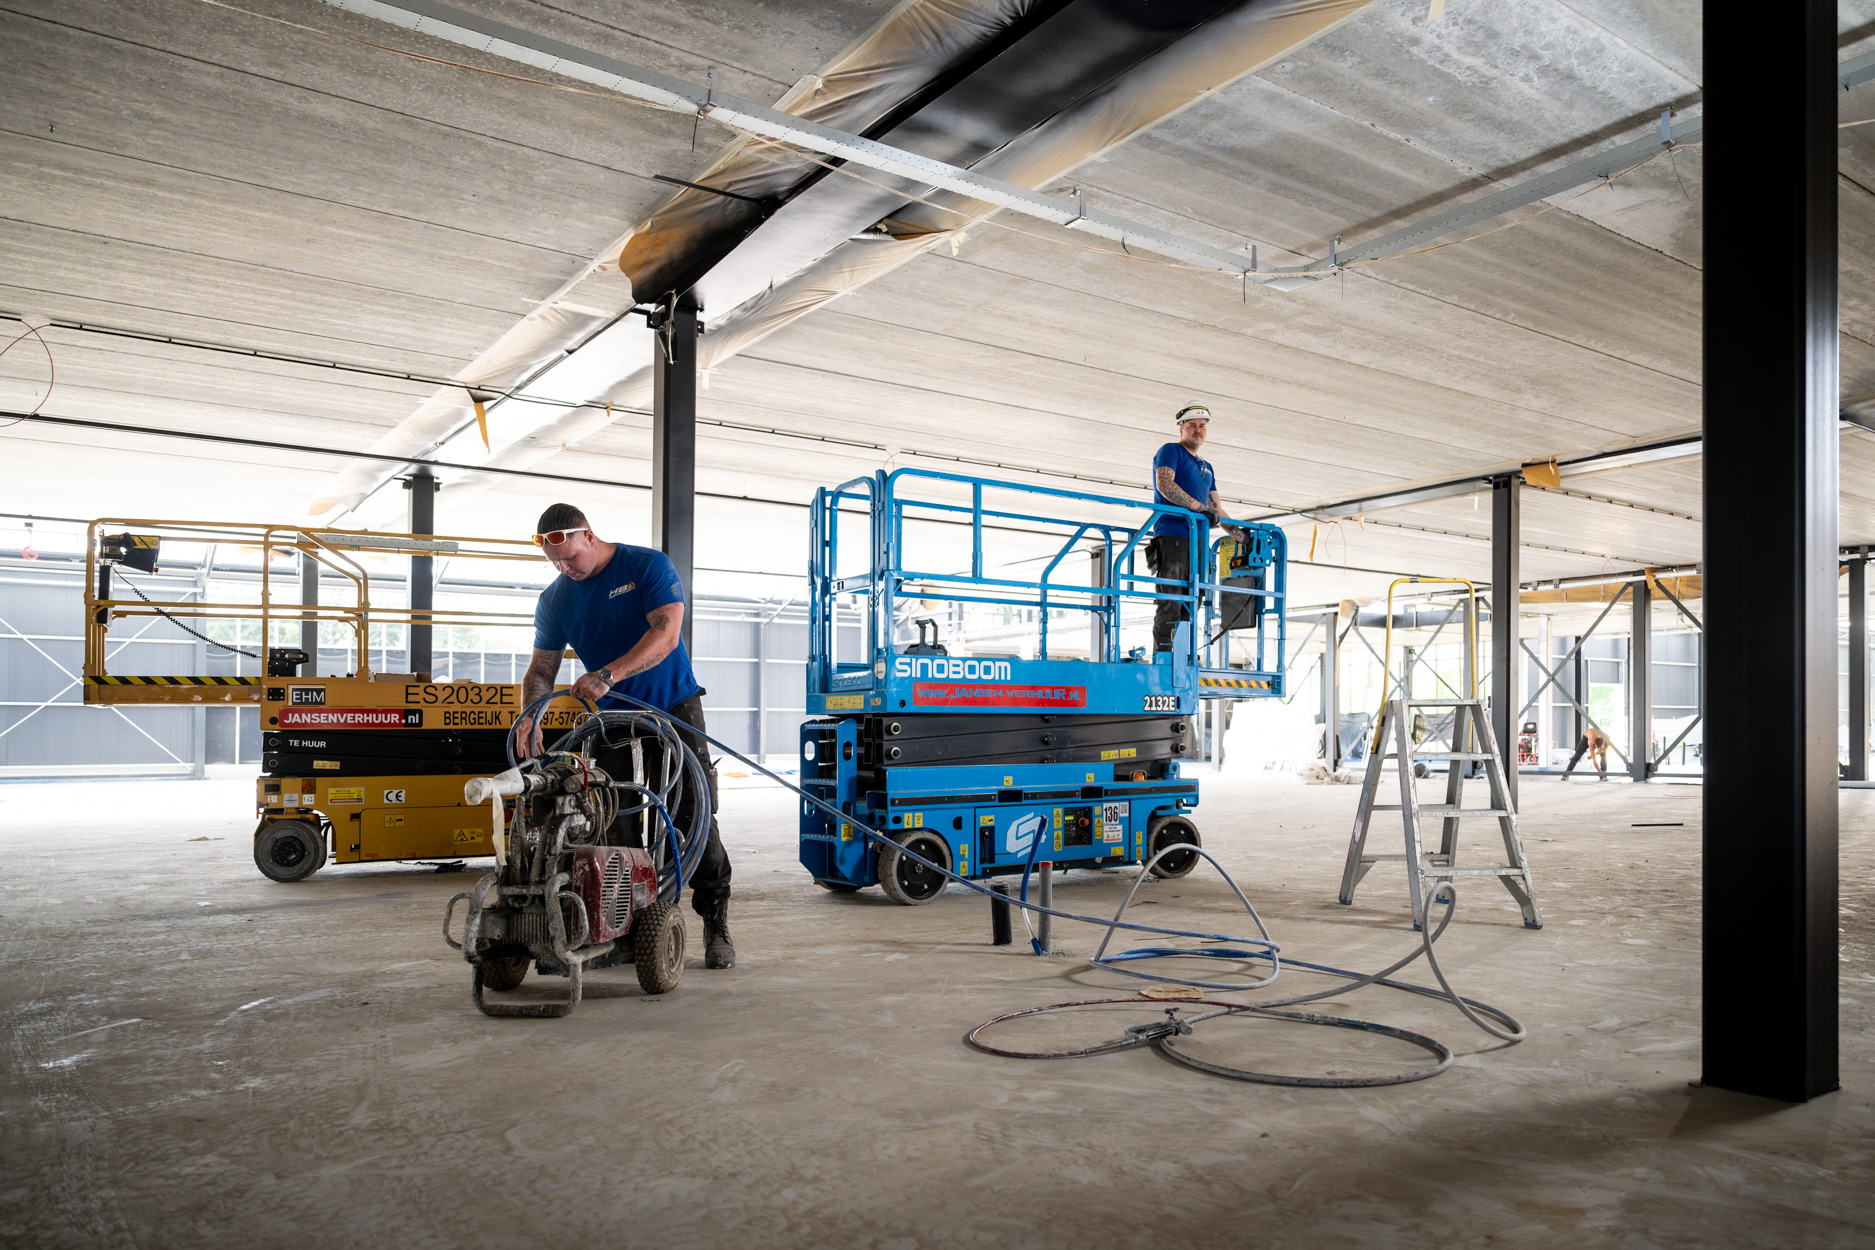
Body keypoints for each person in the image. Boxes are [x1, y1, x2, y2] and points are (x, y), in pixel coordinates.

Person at [513, 503, 735, 968]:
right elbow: (542, 667)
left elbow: (667, 633)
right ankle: (626, 929)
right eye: (555, 564)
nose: (565, 568)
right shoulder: (556, 599)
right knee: (614, 818)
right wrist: (529, 716)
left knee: (693, 812)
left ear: (588, 536)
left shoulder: (645, 565)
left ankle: (716, 922)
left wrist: (608, 674)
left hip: (674, 706)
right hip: (613, 717)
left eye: (570, 557)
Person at [1147, 404, 1242, 652]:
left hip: (1198, 541)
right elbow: (1165, 486)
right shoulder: (1171, 451)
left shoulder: (1207, 467)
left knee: (1194, 601)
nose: (1198, 430)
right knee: (1172, 599)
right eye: (1192, 426)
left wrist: (1244, 537)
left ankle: (1184, 656)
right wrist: (1200, 508)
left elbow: (1217, 511)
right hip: (1173, 535)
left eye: (1202, 426)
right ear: (1181, 429)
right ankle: (1165, 657)